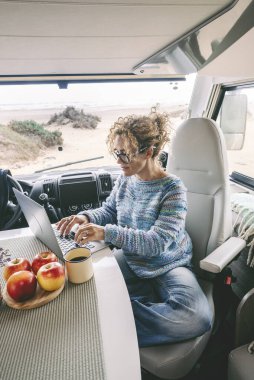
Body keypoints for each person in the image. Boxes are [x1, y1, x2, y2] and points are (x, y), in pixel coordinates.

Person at [57, 109, 212, 347]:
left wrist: (106, 233)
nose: (118, 161)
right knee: (79, 283)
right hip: (131, 260)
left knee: (196, 317)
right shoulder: (126, 178)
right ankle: (119, 315)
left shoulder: (173, 189)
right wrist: (84, 217)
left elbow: (157, 243)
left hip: (169, 265)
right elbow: (109, 211)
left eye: (125, 155)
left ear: (148, 152)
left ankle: (109, 325)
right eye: (116, 153)